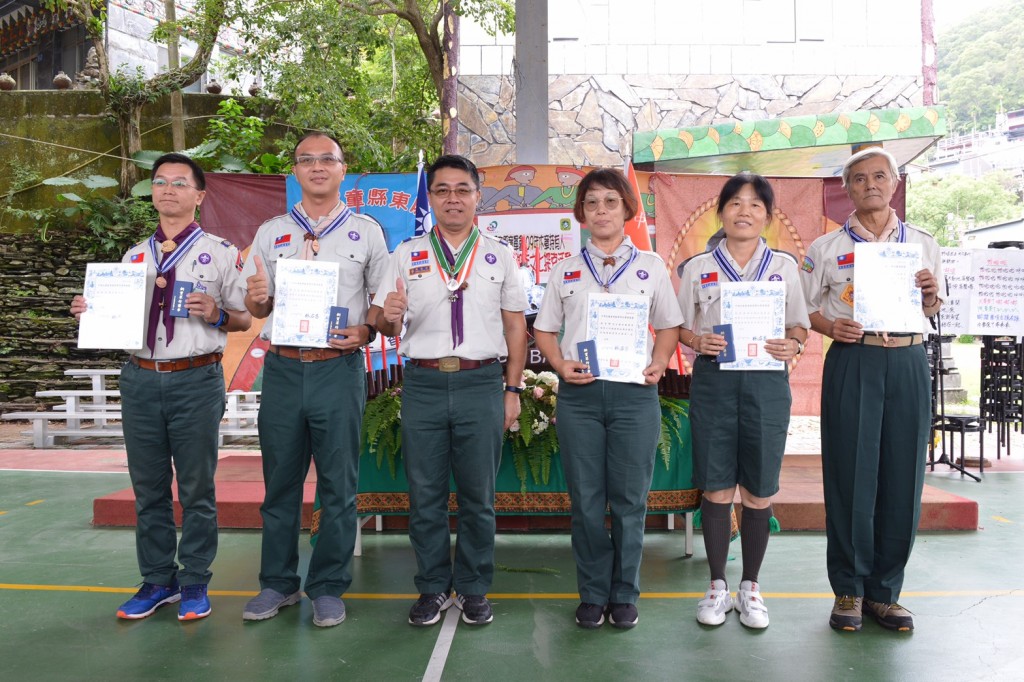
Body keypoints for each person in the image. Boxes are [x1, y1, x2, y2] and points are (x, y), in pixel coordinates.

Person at [71, 153, 252, 622]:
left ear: (199, 195)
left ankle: (194, 581)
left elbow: (245, 318)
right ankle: (157, 580)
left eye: (179, 182)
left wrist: (214, 312)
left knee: (196, 488)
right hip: (140, 378)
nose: (168, 189)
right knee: (147, 487)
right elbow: (118, 320)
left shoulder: (222, 251)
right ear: (153, 193)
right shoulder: (133, 256)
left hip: (195, 377)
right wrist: (90, 311)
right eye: (160, 182)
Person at [370, 154, 528, 627]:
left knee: (479, 495)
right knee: (426, 493)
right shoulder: (406, 253)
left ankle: (475, 586)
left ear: (478, 197)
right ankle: (434, 587)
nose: (453, 198)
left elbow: (516, 328)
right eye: (442, 190)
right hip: (422, 381)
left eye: (462, 189)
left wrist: (513, 388)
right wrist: (389, 315)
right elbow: (380, 321)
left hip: (482, 380)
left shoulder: (500, 254)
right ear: (432, 198)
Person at [240, 132, 389, 628]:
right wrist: (259, 298)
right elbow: (256, 307)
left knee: (338, 486)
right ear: (296, 171)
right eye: (307, 160)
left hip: (337, 369)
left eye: (327, 159)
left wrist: (367, 328)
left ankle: (327, 586)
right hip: (281, 369)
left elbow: (380, 303)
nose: (317, 167)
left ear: (343, 169)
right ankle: (277, 584)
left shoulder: (366, 232)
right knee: (279, 484)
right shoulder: (271, 232)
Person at [533, 168, 682, 629]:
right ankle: (593, 593)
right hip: (580, 397)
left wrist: (658, 362)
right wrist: (559, 366)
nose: (601, 211)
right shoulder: (566, 270)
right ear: (581, 212)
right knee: (586, 499)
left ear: (627, 210)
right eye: (592, 203)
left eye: (610, 202)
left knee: (630, 499)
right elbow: (544, 329)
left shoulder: (651, 266)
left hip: (635, 396)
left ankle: (624, 593)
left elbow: (670, 325)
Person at [801, 148, 943, 633]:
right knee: (850, 473)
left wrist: (927, 294)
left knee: (903, 475)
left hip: (906, 359)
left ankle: (886, 592)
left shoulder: (922, 243)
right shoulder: (825, 248)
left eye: (879, 176)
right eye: (858, 180)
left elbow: (931, 305)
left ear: (895, 182)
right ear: (849, 189)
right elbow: (803, 309)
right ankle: (849, 589)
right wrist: (829, 327)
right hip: (854, 359)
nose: (870, 186)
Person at [677, 172, 809, 630]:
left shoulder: (785, 267)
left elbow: (799, 327)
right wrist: (698, 340)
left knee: (758, 488)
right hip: (714, 381)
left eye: (755, 205)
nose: (744, 212)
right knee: (716, 485)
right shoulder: (697, 268)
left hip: (767, 383)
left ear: (768, 217)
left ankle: (750, 586)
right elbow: (678, 327)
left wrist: (794, 346)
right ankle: (717, 585)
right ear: (722, 212)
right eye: (735, 203)